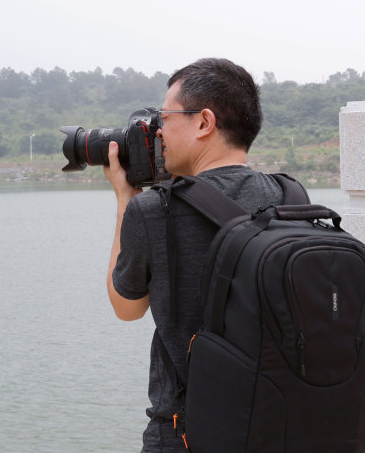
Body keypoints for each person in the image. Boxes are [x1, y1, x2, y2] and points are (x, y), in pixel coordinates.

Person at [103, 58, 286, 452]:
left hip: (187, 434)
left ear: (204, 122)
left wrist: (125, 200)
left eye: (165, 118)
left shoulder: (156, 209)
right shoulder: (290, 196)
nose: (158, 131)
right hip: (279, 427)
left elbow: (126, 308)